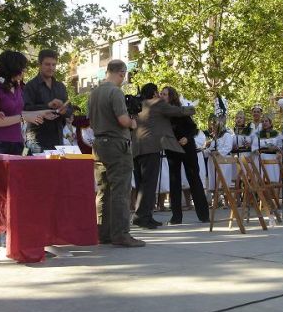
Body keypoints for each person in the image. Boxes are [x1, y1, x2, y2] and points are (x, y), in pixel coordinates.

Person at [0, 50, 54, 255]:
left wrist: (41, 113)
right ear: (12, 68)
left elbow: (20, 113)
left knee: (14, 194)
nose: (24, 71)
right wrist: (23, 117)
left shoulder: (18, 86)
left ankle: (14, 238)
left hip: (16, 144)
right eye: (21, 67)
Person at [88, 60, 144, 247]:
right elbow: (122, 120)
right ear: (121, 73)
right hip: (116, 143)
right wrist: (132, 122)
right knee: (121, 189)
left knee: (103, 190)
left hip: (98, 143)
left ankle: (103, 233)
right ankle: (121, 234)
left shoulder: (94, 93)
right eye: (124, 75)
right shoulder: (115, 92)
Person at [131, 83, 195, 229]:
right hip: (150, 148)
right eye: (158, 92)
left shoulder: (138, 105)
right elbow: (177, 111)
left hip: (136, 148)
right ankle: (143, 218)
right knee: (149, 184)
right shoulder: (157, 103)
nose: (160, 95)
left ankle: (143, 216)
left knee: (141, 185)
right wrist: (192, 109)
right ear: (154, 93)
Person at [160, 86, 209, 225]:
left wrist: (187, 138)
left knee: (194, 179)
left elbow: (193, 128)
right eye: (161, 93)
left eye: (164, 94)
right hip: (172, 149)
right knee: (174, 181)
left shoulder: (179, 110)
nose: (161, 96)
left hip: (187, 147)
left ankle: (204, 215)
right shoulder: (161, 112)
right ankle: (176, 217)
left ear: (171, 96)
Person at [23, 49, 71, 152]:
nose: (51, 68)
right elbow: (26, 110)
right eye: (47, 64)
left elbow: (70, 110)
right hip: (36, 138)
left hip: (57, 137)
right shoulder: (30, 86)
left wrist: (64, 110)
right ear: (39, 65)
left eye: (54, 65)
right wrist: (48, 105)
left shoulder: (60, 86)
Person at [251, 113, 282, 183]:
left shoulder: (277, 134)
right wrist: (257, 151)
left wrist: (276, 149)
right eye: (262, 121)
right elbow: (254, 147)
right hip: (261, 157)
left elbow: (280, 146)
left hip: (273, 158)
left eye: (266, 121)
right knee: (262, 180)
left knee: (273, 180)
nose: (264, 123)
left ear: (270, 123)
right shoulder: (258, 135)